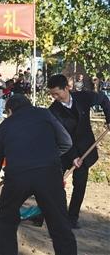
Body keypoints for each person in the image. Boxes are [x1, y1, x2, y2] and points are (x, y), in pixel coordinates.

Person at [0, 94, 77, 255]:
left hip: (18, 177)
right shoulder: (45, 114)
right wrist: (49, 157)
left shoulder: (5, 126)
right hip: (49, 175)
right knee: (60, 225)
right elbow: (66, 142)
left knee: (6, 221)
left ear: (10, 110)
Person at [47, 74, 110, 229]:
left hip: (86, 149)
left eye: (57, 93)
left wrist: (109, 118)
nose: (55, 97)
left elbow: (102, 99)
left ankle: (72, 218)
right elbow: (61, 137)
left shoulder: (83, 97)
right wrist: (73, 156)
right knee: (52, 183)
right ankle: (43, 214)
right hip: (64, 152)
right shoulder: (53, 111)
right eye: (52, 94)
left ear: (66, 88)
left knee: (80, 184)